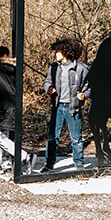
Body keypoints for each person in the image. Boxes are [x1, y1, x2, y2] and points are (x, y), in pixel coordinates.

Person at [42, 37, 91, 171]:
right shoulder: (53, 68)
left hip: (72, 108)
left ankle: (79, 164)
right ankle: (49, 165)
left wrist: (83, 95)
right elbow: (47, 82)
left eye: (58, 51)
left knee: (76, 138)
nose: (55, 54)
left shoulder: (81, 68)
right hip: (57, 107)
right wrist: (49, 88)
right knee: (52, 138)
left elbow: (89, 87)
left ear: (66, 52)